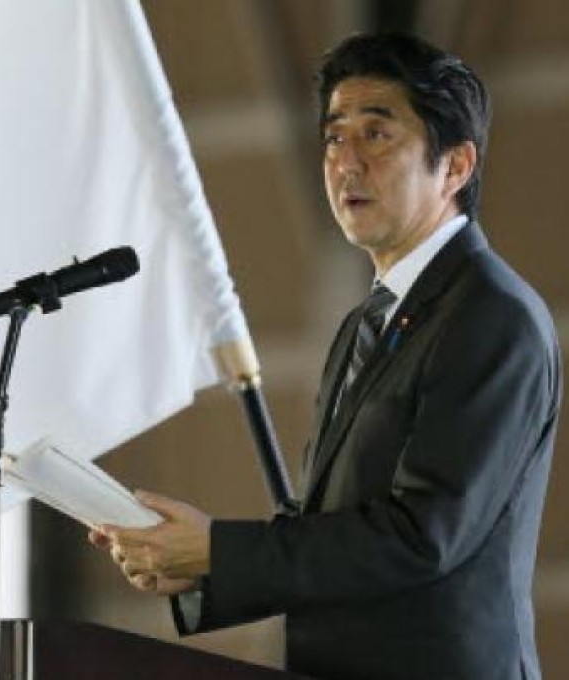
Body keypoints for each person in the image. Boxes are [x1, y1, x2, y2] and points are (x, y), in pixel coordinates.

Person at [90, 33, 562, 680]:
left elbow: (421, 534)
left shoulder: (491, 315)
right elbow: (331, 529)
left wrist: (218, 551)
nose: (346, 162)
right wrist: (193, 566)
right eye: (335, 137)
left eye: (377, 134)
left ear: (455, 165)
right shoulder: (366, 322)